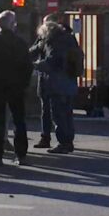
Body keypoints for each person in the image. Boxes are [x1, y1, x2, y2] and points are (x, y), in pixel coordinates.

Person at [0, 10, 33, 166]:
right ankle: (21, 154)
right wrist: (24, 84)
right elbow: (27, 67)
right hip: (16, 87)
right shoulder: (20, 43)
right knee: (19, 121)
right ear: (13, 24)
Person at [31, 14, 82, 155]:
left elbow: (51, 62)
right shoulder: (69, 37)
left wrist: (35, 65)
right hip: (69, 81)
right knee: (67, 113)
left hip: (56, 83)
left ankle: (63, 143)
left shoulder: (53, 41)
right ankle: (68, 142)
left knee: (58, 114)